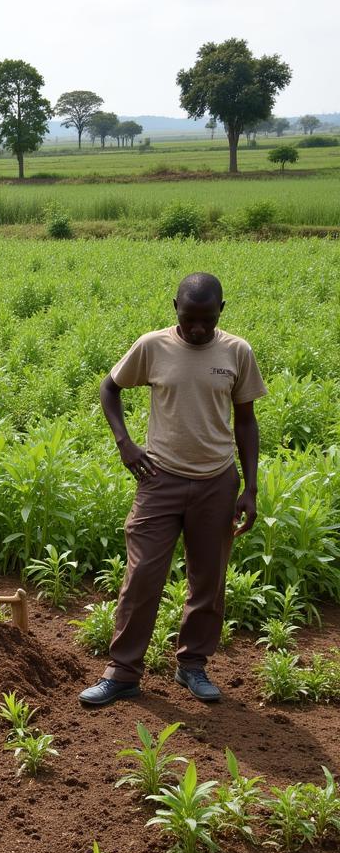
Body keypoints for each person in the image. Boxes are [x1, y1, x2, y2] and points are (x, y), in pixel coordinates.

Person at [79, 273, 266, 708]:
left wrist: (251, 487)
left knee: (208, 580)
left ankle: (192, 666)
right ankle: (122, 673)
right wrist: (125, 443)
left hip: (217, 482)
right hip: (159, 479)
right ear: (175, 308)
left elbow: (246, 420)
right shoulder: (153, 345)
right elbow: (109, 387)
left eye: (206, 319)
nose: (197, 328)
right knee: (142, 575)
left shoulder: (237, 352)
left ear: (221, 310)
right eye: (189, 318)